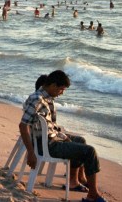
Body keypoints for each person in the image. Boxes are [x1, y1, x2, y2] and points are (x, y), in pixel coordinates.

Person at [19, 70, 105, 202]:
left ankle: (74, 181)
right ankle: (93, 195)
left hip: (49, 139)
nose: (62, 93)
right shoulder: (37, 99)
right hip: (48, 145)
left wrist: (63, 136)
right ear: (53, 85)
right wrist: (31, 153)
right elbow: (23, 125)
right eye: (61, 89)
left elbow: (49, 126)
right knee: (90, 151)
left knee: (80, 140)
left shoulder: (46, 98)